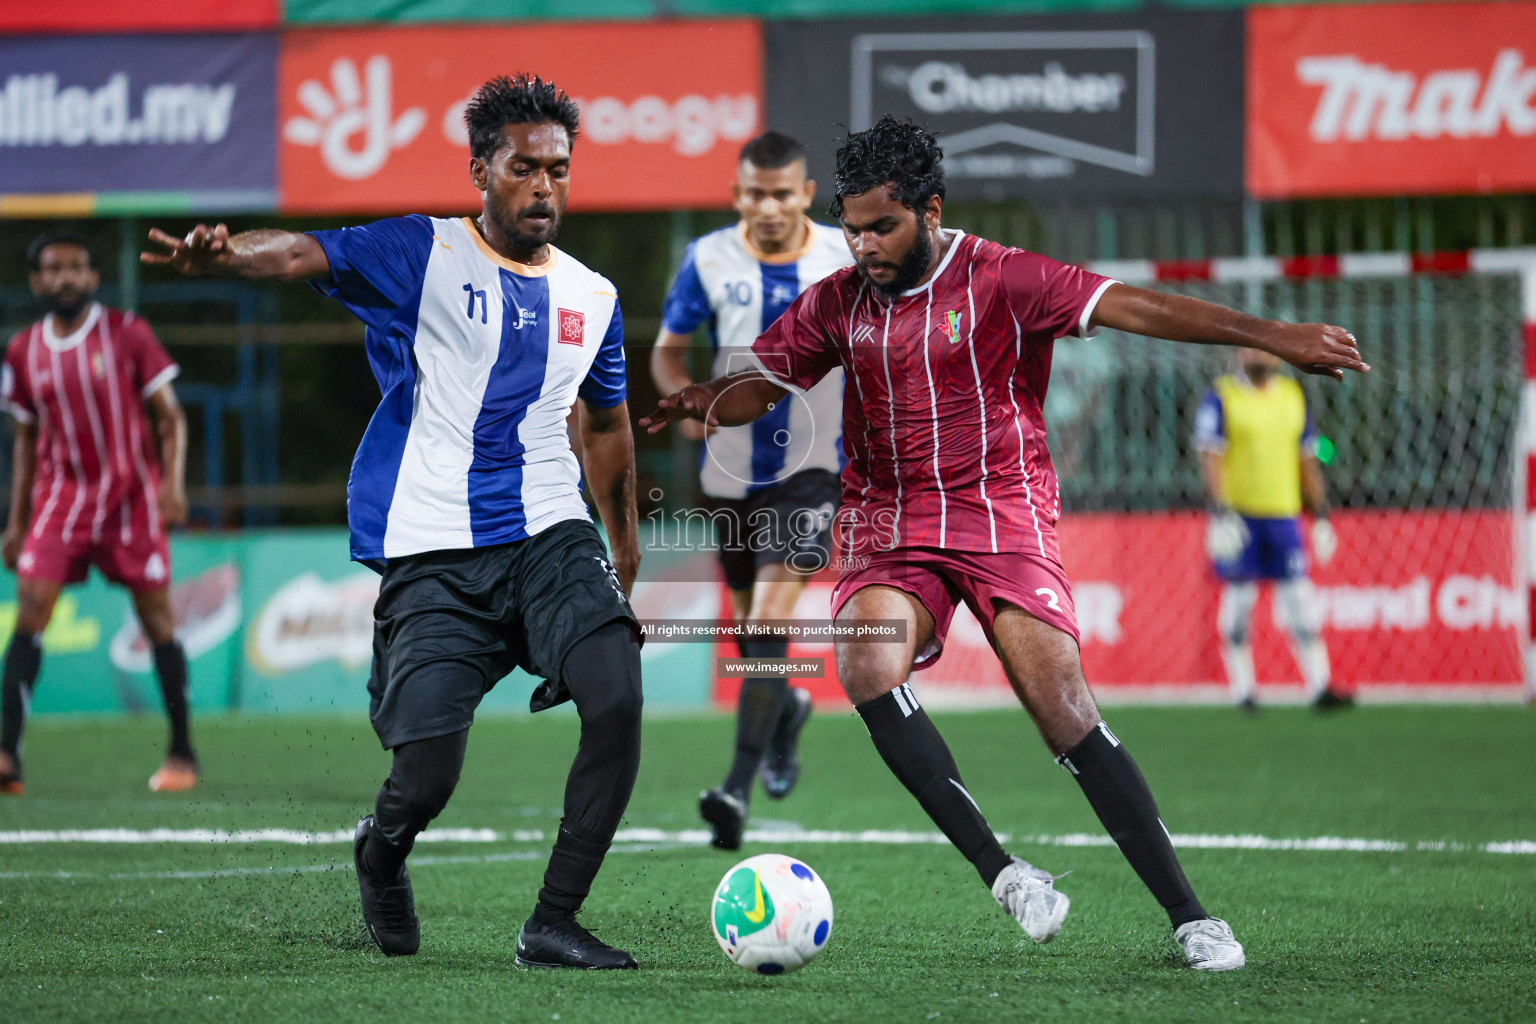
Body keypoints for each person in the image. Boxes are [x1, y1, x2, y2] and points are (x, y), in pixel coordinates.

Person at [642, 116, 1368, 971]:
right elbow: (759, 386)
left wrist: (1271, 336)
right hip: (892, 524)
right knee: (866, 662)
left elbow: (1137, 305)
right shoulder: (836, 302)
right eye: (853, 228)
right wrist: (702, 400)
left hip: (1002, 513)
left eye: (884, 226)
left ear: (931, 209)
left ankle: (1190, 916)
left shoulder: (1003, 277)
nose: (865, 245)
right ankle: (1006, 873)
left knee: (1062, 708)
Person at [142, 75, 645, 969]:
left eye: (558, 170)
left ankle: (553, 920)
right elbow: (301, 253)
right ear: (480, 171)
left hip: (552, 535)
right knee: (427, 777)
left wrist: (624, 544)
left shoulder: (593, 298)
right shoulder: (422, 252)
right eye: (523, 168)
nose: (543, 187)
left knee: (616, 698)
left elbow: (604, 426)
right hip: (435, 551)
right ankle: (382, 850)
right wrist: (222, 260)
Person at [651, 130, 852, 849]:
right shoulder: (706, 257)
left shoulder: (842, 255)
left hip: (813, 468)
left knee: (769, 617)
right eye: (754, 194)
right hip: (730, 471)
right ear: (738, 196)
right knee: (749, 630)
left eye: (782, 193)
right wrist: (684, 400)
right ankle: (787, 708)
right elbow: (668, 351)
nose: (768, 207)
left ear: (805, 194)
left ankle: (735, 788)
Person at [0, 230, 196, 797]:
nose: (65, 277)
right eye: (53, 269)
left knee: (157, 619)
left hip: (130, 500)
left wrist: (172, 486)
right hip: (61, 502)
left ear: (92, 277)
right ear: (37, 281)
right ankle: (7, 755)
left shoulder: (126, 333)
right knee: (31, 610)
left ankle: (182, 749)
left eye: (77, 267)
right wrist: (16, 522)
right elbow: (24, 440)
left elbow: (171, 418)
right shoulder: (22, 350)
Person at [1195, 350, 1350, 712]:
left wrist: (1322, 513)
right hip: (1241, 515)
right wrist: (1220, 512)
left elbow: (1307, 457)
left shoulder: (1292, 396)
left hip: (1283, 514)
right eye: (1253, 346)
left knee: (1299, 602)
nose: (1261, 353)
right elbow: (1211, 456)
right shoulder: (1222, 396)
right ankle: (1244, 690)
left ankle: (1320, 686)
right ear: (1238, 352)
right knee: (1239, 602)